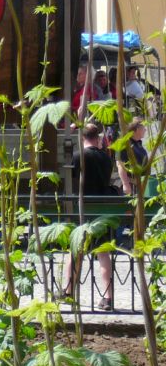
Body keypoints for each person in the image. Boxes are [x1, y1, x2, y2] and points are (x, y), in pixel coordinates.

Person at [60, 123, 117, 311]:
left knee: (75, 250)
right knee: (103, 252)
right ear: (97, 137)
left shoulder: (77, 157)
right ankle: (108, 298)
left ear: (81, 137)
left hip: (83, 208)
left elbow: (70, 180)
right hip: (103, 208)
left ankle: (68, 292)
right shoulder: (106, 158)